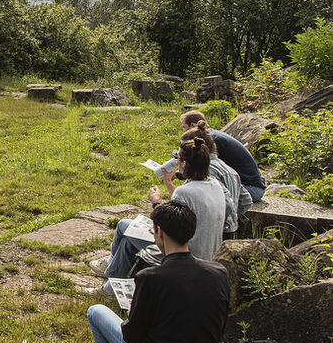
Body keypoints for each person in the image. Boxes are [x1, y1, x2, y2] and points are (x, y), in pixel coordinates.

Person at [86, 200, 230, 343]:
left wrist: (131, 315)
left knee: (95, 312)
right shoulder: (219, 273)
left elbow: (132, 336)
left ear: (159, 232)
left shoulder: (151, 278)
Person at [91, 136, 225, 283]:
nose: (176, 162)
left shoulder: (185, 192)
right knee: (128, 242)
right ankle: (111, 284)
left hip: (184, 253)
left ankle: (109, 267)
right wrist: (167, 182)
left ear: (184, 164)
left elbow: (168, 229)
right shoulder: (215, 186)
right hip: (208, 253)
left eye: (177, 158)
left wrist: (156, 203)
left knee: (124, 225)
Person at [180, 121, 252, 240]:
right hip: (231, 227)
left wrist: (216, 219)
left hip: (217, 229)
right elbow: (246, 200)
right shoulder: (228, 168)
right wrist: (235, 215)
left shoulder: (208, 170)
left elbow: (227, 203)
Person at [181, 110, 266, 202]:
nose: (183, 131)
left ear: (193, 125)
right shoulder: (214, 135)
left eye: (184, 127)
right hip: (250, 185)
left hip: (251, 188)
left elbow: (201, 171)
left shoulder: (213, 141)